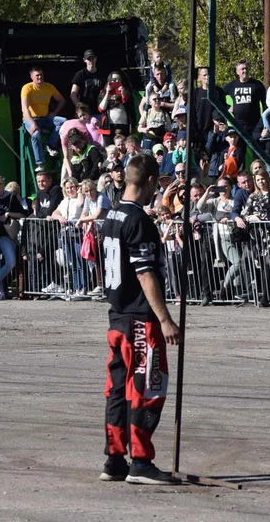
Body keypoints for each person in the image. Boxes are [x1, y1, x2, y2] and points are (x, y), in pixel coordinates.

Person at [98, 153, 181, 485]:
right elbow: (145, 272)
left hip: (116, 316)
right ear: (148, 181)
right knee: (147, 386)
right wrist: (165, 319)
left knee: (117, 389)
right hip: (139, 319)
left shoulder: (111, 215)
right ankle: (141, 462)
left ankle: (114, 458)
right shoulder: (138, 221)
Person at [0, 175, 24, 301]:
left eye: (0, 184)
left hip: (6, 233)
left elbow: (22, 213)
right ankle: (0, 292)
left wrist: (8, 214)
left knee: (11, 262)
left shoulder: (10, 197)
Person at [21, 66, 68, 172]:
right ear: (31, 77)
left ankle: (48, 145)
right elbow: (24, 108)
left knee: (64, 122)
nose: (39, 77)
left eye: (41, 74)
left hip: (46, 118)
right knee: (36, 134)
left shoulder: (49, 87)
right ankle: (40, 163)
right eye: (37, 75)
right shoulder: (27, 88)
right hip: (31, 118)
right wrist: (32, 123)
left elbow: (62, 100)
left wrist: (54, 112)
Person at [222, 60, 267, 138]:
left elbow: (265, 103)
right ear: (237, 72)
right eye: (242, 69)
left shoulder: (257, 85)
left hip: (255, 124)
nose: (245, 71)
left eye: (246, 68)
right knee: (239, 148)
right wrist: (228, 107)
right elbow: (218, 96)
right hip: (238, 123)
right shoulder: (232, 85)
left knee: (256, 148)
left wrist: (264, 123)